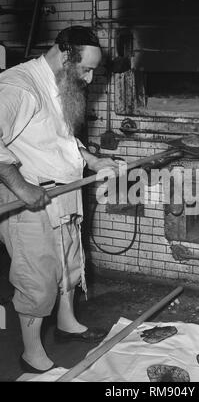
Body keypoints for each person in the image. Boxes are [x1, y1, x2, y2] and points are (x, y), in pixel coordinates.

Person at [0, 26, 118, 373]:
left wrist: (94, 161)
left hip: (64, 193)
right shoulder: (18, 87)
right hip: (31, 196)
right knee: (37, 277)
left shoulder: (61, 84)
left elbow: (63, 137)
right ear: (65, 56)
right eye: (85, 68)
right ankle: (31, 351)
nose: (90, 77)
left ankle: (67, 323)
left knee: (68, 264)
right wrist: (21, 188)